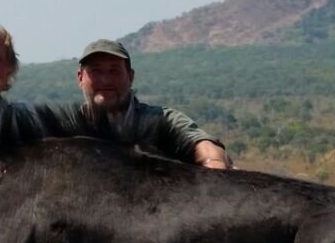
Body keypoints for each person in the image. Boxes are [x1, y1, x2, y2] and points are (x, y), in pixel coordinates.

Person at [76, 39, 231, 169]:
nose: (105, 80)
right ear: (80, 78)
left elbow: (201, 144)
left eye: (114, 71)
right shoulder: (67, 128)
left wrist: (213, 164)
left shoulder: (162, 120)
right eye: (96, 71)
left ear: (130, 77)